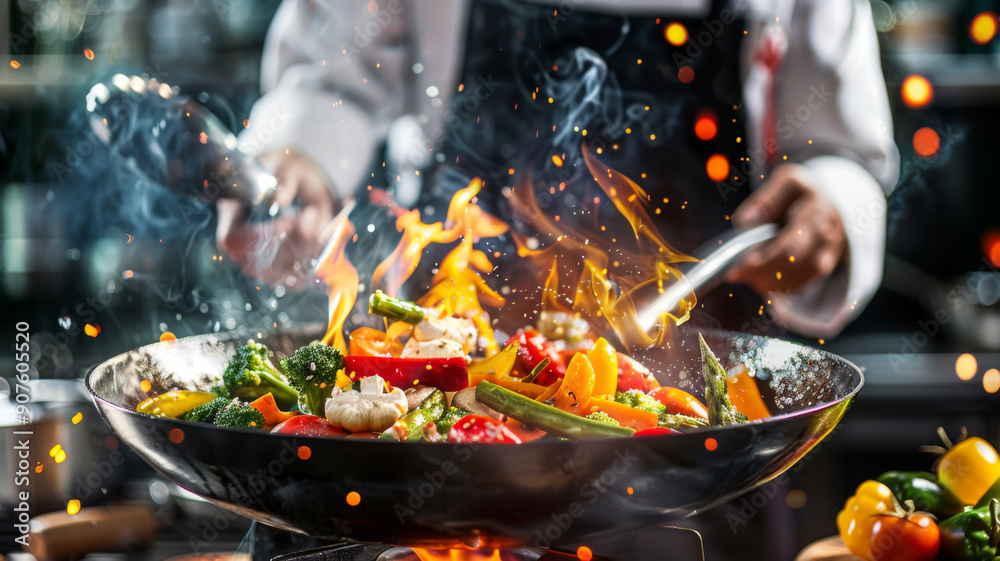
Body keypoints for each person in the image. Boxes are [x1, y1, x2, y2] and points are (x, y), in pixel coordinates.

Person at [223, 0, 899, 339]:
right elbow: (330, 75)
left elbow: (845, 158)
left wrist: (831, 206)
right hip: (447, 337)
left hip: (701, 378)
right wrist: (296, 162)